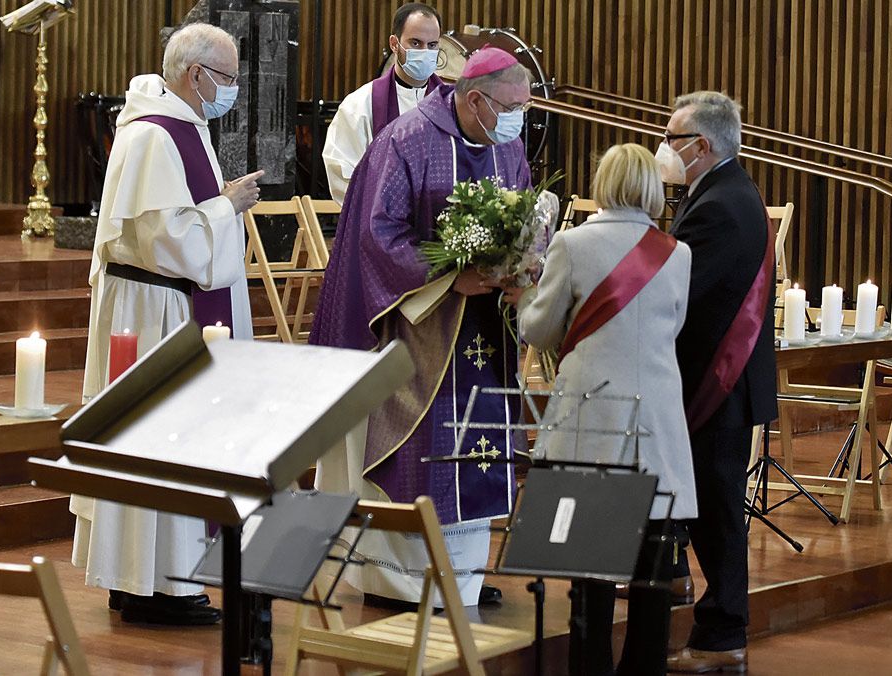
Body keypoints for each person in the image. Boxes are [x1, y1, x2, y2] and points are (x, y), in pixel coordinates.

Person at [310, 47, 533, 608]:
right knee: (423, 447)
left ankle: (464, 576)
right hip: (421, 330)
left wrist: (522, 269)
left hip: (487, 330)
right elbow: (375, 235)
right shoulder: (405, 141)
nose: (518, 120)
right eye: (511, 106)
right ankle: (404, 580)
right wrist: (448, 278)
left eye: (525, 108)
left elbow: (528, 217)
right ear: (475, 98)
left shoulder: (507, 144)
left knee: (478, 446)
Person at [71, 22, 262, 626]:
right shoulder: (157, 134)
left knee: (154, 442)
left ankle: (142, 578)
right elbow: (169, 238)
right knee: (162, 439)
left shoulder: (180, 123)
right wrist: (228, 205)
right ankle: (160, 585)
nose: (231, 89)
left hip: (159, 307)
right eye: (227, 77)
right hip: (158, 311)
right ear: (193, 72)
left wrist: (219, 203)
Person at [512, 142, 698, 676]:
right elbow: (675, 327)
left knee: (589, 576)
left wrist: (521, 294)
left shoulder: (572, 244)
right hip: (656, 422)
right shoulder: (678, 253)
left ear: (603, 184)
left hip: (591, 420)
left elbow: (538, 330)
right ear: (652, 188)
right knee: (652, 575)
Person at [663, 91, 777, 673]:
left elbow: (682, 292)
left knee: (718, 510)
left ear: (700, 146)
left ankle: (723, 632)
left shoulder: (718, 205)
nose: (664, 148)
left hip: (717, 377)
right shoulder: (725, 190)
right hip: (722, 375)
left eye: (671, 138)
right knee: (709, 502)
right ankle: (685, 592)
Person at [321, 3, 443, 203]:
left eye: (432, 45)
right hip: (380, 222)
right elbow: (342, 171)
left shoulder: (450, 104)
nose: (424, 51)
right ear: (395, 44)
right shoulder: (360, 105)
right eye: (415, 43)